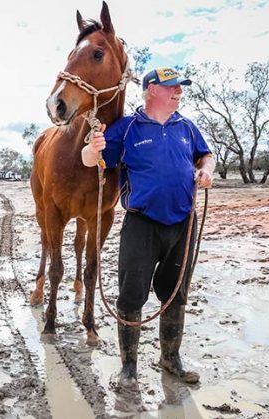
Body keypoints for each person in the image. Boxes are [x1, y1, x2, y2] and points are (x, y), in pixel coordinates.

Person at [82, 67, 215, 385]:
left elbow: (206, 156)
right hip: (141, 224)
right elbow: (92, 160)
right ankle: (129, 368)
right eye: (172, 87)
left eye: (180, 88)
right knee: (130, 298)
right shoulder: (127, 128)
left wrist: (206, 171)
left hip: (183, 222)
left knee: (176, 294)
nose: (178, 92)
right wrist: (92, 147)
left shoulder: (187, 126)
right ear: (152, 89)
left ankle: (171, 359)